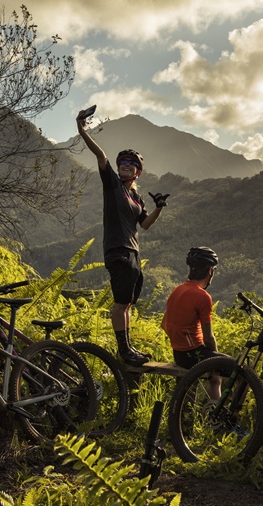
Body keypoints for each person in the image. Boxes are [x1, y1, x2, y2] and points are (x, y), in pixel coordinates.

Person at [76, 109, 170, 366]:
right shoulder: (112, 185)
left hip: (133, 252)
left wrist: (159, 207)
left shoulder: (137, 198)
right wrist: (82, 130)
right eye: (122, 164)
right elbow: (101, 155)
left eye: (131, 164)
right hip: (117, 250)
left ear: (138, 172)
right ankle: (123, 351)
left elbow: (146, 225)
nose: (125, 166)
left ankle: (128, 348)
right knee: (120, 303)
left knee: (127, 303)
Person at [161, 247, 226, 399]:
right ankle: (224, 417)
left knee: (215, 378)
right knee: (243, 372)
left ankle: (201, 414)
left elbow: (164, 324)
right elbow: (209, 338)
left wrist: (180, 341)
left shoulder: (177, 290)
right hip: (193, 354)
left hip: (179, 353)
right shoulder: (202, 296)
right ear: (210, 271)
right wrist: (214, 356)